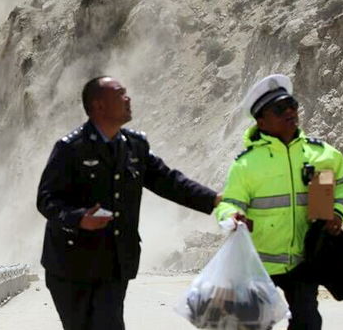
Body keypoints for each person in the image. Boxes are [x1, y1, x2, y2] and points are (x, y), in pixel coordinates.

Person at [37, 76, 221, 330]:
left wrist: (213, 200)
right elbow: (46, 199)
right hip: (70, 267)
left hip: (113, 263)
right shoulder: (71, 148)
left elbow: (169, 182)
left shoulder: (135, 146)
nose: (128, 98)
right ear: (98, 105)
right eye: (120, 93)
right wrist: (79, 218)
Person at [215, 74, 343, 330]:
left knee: (308, 323)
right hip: (259, 263)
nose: (290, 111)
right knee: (254, 325)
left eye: (292, 104)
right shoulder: (245, 164)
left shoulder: (322, 153)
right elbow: (229, 202)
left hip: (303, 260)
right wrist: (232, 217)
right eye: (280, 109)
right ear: (261, 121)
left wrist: (337, 212)